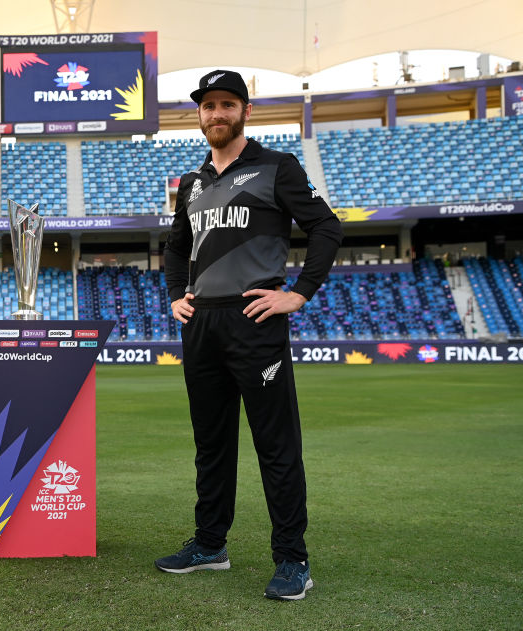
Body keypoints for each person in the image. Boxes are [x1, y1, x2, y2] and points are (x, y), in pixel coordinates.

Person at [156, 69, 342, 601]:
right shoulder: (190, 183)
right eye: (208, 105)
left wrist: (299, 292)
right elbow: (174, 246)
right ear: (199, 114)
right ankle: (210, 544)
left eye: (227, 104)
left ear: (245, 111)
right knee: (211, 444)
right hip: (201, 324)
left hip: (255, 320)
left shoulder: (276, 167)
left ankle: (292, 559)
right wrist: (176, 294)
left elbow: (326, 227)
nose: (217, 114)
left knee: (275, 446)